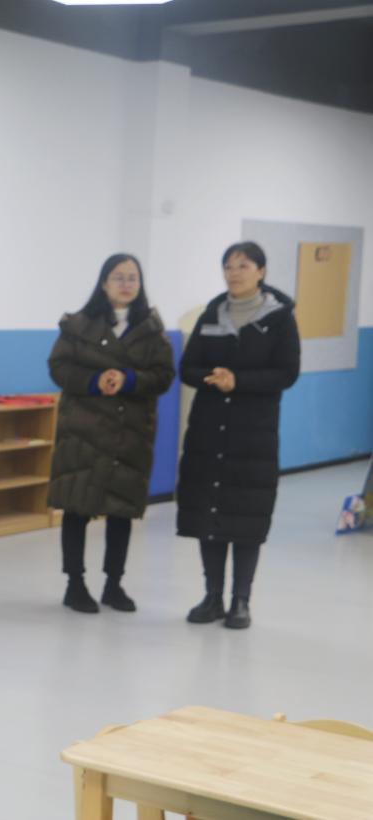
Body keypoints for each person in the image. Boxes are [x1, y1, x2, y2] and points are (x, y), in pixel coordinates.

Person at [176, 241, 300, 630]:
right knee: (209, 513)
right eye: (228, 266)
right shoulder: (212, 313)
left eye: (243, 266)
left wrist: (239, 381)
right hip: (209, 431)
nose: (234, 273)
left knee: (246, 516)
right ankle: (212, 596)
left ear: (261, 272)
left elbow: (287, 373)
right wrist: (213, 378)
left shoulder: (279, 318)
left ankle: (240, 601)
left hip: (253, 435)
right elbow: (187, 368)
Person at [46, 253, 176, 613]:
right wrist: (93, 380)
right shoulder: (78, 324)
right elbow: (58, 367)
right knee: (77, 507)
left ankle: (113, 584)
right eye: (118, 277)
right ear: (104, 283)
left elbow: (164, 375)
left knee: (121, 511)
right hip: (83, 431)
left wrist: (130, 380)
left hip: (129, 433)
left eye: (133, 278)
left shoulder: (151, 328)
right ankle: (75, 584)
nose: (126, 284)